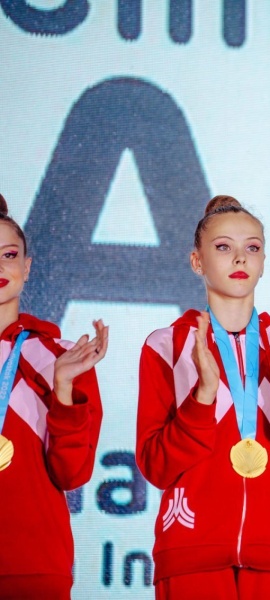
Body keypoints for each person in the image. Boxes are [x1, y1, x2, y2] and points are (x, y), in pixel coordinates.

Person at [136, 195, 270, 599]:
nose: (240, 258)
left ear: (263, 262)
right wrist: (202, 399)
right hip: (190, 547)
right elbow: (156, 467)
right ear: (197, 262)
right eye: (223, 247)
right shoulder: (166, 346)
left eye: (252, 248)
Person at [0, 192, 108, 600]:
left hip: (35, 565)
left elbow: (72, 474)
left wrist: (63, 389)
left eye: (9, 255)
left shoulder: (62, 356)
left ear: (27, 268)